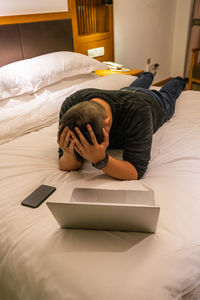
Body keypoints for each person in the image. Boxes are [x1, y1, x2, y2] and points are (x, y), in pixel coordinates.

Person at [57, 72, 186, 180]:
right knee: (136, 85)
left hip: (153, 102)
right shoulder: (70, 105)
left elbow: (135, 171)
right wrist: (69, 154)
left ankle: (179, 78)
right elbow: (65, 163)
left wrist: (101, 160)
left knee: (169, 92)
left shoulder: (138, 112)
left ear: (107, 124)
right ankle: (147, 75)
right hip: (125, 93)